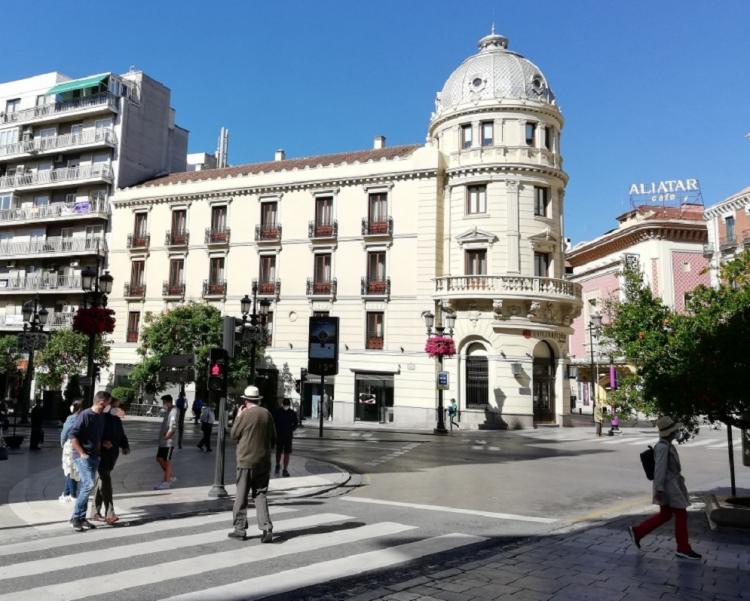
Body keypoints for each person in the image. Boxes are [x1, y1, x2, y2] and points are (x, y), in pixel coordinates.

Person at [628, 416, 701, 560]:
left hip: (670, 485)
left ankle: (638, 532)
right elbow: (659, 470)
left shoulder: (667, 445)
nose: (677, 432)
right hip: (669, 487)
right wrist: (659, 489)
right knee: (681, 515)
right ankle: (683, 548)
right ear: (670, 433)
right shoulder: (662, 447)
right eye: (675, 430)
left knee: (666, 514)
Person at [228, 385, 276, 543]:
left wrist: (238, 416)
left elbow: (234, 434)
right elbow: (273, 437)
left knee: (241, 496)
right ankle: (266, 527)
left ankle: (240, 529)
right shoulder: (267, 414)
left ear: (245, 400)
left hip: (245, 461)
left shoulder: (245, 414)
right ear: (258, 399)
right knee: (260, 494)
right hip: (263, 461)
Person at [68, 390, 111, 532]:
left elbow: (97, 435)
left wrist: (103, 443)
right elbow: (73, 435)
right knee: (88, 484)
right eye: (107, 403)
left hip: (95, 456)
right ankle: (76, 518)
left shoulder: (101, 417)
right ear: (101, 402)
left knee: (86, 488)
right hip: (82, 456)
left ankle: (81, 517)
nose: (108, 406)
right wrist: (81, 453)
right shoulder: (85, 415)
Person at [92, 398, 130, 524]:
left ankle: (95, 512)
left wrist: (125, 445)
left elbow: (121, 434)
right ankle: (110, 512)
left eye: (118, 406)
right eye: (115, 406)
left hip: (112, 455)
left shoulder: (116, 419)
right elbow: (93, 435)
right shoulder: (100, 418)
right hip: (100, 454)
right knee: (105, 480)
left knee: (102, 481)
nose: (117, 409)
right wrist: (102, 442)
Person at [59, 400, 82, 503]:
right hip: (80, 445)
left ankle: (72, 494)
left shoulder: (71, 418)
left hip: (70, 444)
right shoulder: (85, 417)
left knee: (70, 470)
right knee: (73, 469)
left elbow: (64, 432)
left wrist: (62, 443)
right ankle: (66, 493)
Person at [155, 394, 178, 490]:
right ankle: (171, 476)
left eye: (164, 402)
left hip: (168, 442)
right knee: (159, 458)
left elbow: (173, 427)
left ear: (169, 402)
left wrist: (166, 437)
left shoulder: (174, 411)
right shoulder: (167, 411)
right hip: (163, 441)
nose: (163, 404)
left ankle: (167, 482)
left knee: (167, 461)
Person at [273, 398, 298, 477]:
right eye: (285, 405)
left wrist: (291, 429)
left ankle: (285, 469)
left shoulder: (292, 413)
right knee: (278, 452)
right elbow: (274, 422)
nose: (286, 406)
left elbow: (296, 423)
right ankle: (277, 464)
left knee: (287, 453)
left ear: (289, 405)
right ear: (282, 404)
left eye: (287, 405)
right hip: (279, 435)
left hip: (288, 436)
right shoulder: (278, 412)